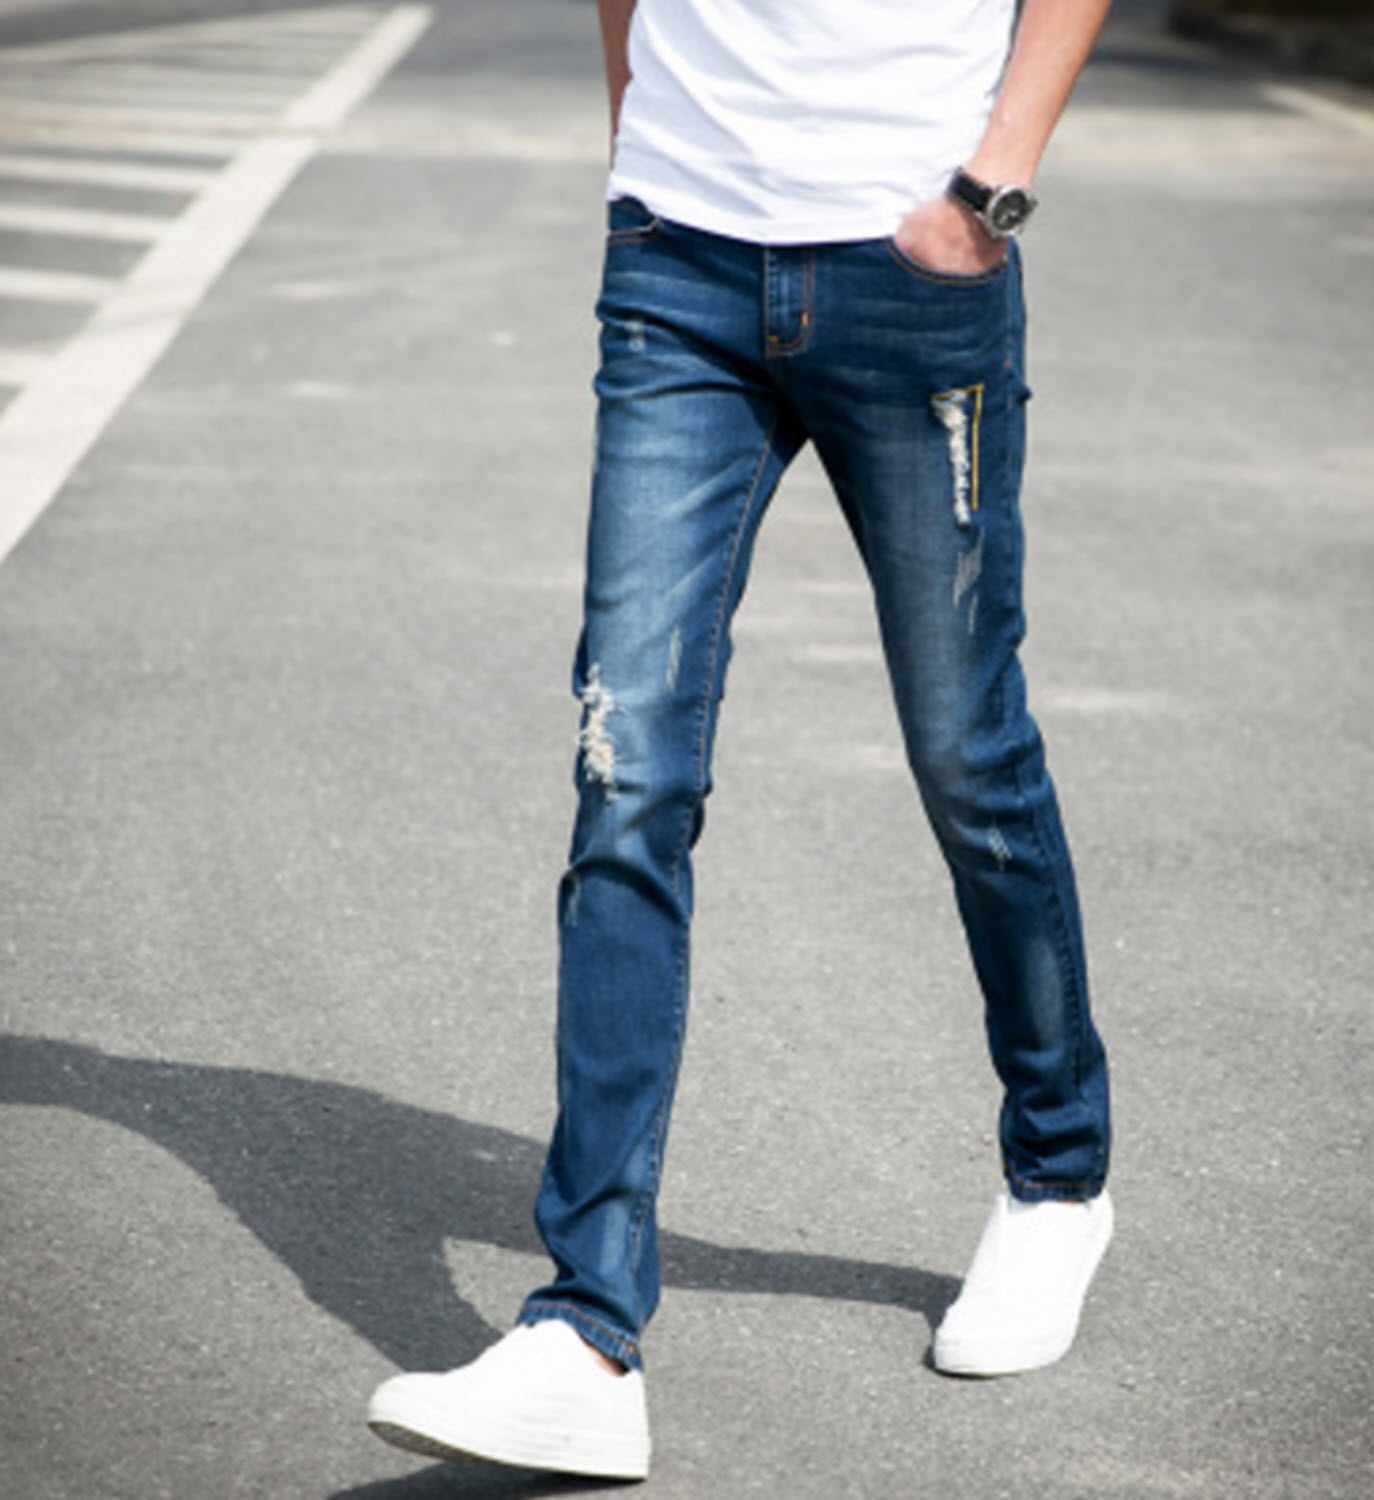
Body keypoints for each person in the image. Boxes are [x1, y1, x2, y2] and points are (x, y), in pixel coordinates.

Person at [367, 0, 1114, 1479]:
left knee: (965, 756)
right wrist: (638, 148)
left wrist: (990, 189)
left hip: (913, 257)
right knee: (626, 772)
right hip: (678, 261)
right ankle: (583, 1333)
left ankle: (1057, 1179)